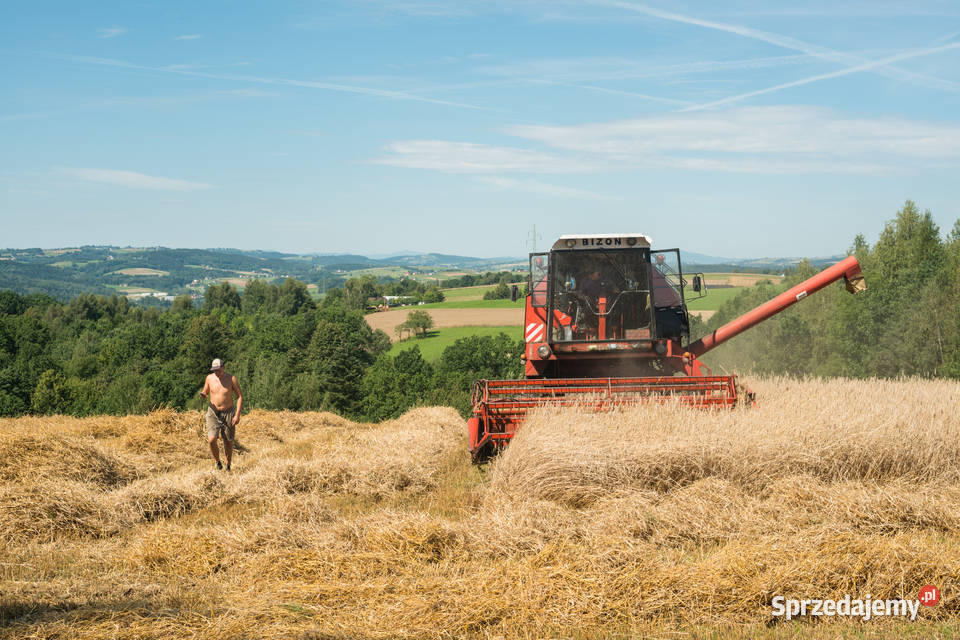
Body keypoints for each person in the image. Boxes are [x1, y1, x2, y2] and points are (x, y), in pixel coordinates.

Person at [199, 358, 243, 471]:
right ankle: (218, 462)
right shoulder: (209, 378)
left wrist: (237, 415)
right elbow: (206, 391)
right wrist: (203, 394)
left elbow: (239, 396)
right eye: (214, 370)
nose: (216, 372)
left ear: (223, 368)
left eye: (218, 370)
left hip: (228, 412)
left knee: (227, 441)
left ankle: (228, 465)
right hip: (213, 412)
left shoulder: (231, 379)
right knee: (212, 439)